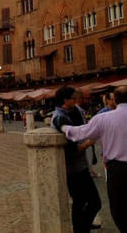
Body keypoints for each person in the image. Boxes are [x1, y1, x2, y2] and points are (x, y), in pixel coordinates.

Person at [60, 85, 126, 232]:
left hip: (118, 170)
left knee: (119, 207)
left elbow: (81, 133)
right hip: (110, 168)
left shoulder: (103, 118)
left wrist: (64, 127)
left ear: (115, 100)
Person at [50, 86, 101, 233]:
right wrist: (89, 143)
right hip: (73, 169)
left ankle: (83, 224)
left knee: (81, 202)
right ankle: (82, 228)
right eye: (74, 98)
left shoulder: (75, 111)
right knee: (92, 202)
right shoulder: (60, 118)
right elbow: (71, 151)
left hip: (81, 166)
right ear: (65, 100)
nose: (77, 100)